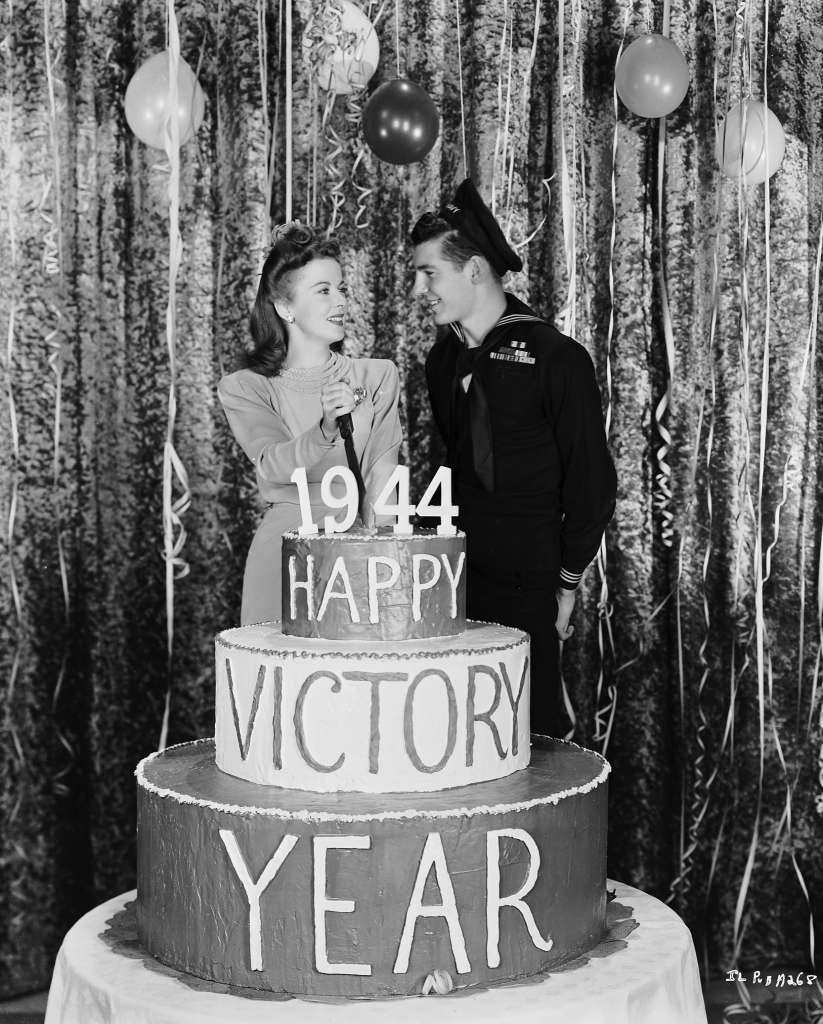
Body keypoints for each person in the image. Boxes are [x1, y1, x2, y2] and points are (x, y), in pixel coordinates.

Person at [411, 179, 617, 737]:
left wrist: (567, 586)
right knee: (453, 729)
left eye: (429, 273)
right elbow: (456, 464)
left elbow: (592, 488)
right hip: (453, 578)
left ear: (474, 270)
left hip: (531, 583)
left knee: (526, 732)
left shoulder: (558, 358)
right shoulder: (443, 360)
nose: (418, 288)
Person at [218, 223, 402, 625]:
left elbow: (382, 479)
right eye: (323, 290)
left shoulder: (378, 377)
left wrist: (383, 560)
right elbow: (272, 463)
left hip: (361, 554)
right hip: (283, 555)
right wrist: (325, 430)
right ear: (285, 308)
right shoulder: (246, 387)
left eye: (342, 289)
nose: (340, 301)